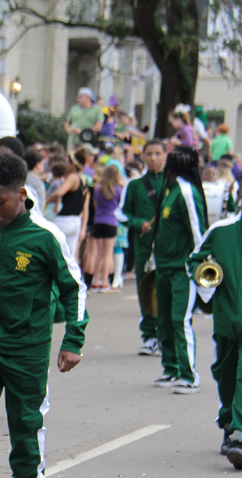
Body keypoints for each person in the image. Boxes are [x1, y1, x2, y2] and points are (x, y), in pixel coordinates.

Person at [0, 152, 87, 478]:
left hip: (28, 346)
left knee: (25, 423)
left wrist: (73, 338)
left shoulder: (45, 235)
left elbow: (75, 289)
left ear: (22, 194)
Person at [188, 208, 242, 467]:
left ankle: (238, 434)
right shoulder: (221, 230)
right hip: (227, 315)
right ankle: (228, 422)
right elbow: (194, 259)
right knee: (225, 371)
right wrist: (208, 277)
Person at [152, 146, 207, 394]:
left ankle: (189, 374)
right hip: (163, 266)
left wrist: (197, 264)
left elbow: (198, 233)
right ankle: (171, 368)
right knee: (163, 320)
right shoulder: (169, 188)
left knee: (179, 319)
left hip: (182, 269)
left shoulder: (186, 190)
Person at [115, 140, 167, 355]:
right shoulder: (135, 185)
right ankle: (149, 336)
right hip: (143, 248)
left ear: (165, 155)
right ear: (143, 156)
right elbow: (121, 212)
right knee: (145, 290)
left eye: (157, 153)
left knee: (167, 292)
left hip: (168, 248)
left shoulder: (174, 183)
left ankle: (166, 337)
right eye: (149, 154)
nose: (153, 158)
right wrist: (138, 223)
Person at [47, 152, 89, 258]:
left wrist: (46, 201)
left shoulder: (73, 177)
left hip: (64, 220)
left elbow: (59, 193)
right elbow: (85, 208)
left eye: (68, 162)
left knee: (55, 251)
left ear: (73, 165)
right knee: (70, 256)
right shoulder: (85, 181)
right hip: (76, 221)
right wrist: (83, 228)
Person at [89, 164, 122, 290]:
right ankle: (105, 281)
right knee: (108, 254)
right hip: (111, 221)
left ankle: (95, 280)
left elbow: (95, 205)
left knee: (98, 253)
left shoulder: (98, 189)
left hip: (98, 221)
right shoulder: (118, 189)